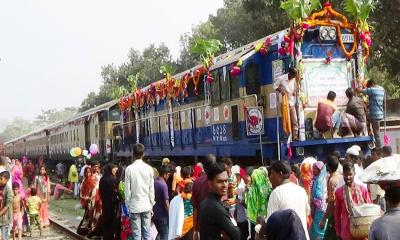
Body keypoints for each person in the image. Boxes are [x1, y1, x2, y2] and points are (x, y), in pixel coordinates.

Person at [266, 161, 310, 240]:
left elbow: (271, 222)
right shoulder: (301, 190)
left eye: (272, 173)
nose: (270, 177)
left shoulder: (276, 193)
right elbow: (306, 214)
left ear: (280, 174)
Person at [198, 162, 240, 240]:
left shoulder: (207, 201)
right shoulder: (215, 207)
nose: (224, 185)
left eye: (226, 181)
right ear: (210, 184)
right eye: (220, 181)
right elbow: (236, 235)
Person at [334, 161, 371, 240]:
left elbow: (369, 209)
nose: (347, 177)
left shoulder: (362, 190)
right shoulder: (339, 192)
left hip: (362, 234)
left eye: (350, 174)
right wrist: (338, 233)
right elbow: (337, 214)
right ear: (342, 174)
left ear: (354, 173)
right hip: (347, 234)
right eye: (345, 174)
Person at [124, 143, 155, 240]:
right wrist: (151, 203)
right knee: (147, 234)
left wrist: (128, 204)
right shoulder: (149, 169)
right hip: (146, 205)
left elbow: (127, 191)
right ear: (143, 154)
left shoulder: (129, 169)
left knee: (136, 235)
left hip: (134, 206)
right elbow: (151, 189)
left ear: (133, 154)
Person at [191, 154, 216, 240]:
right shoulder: (221, 181)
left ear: (203, 168)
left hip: (203, 225)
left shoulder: (197, 182)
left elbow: (195, 209)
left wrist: (195, 230)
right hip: (218, 225)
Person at [245, 168, 272, 239]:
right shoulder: (267, 186)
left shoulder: (252, 188)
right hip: (265, 216)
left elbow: (246, 202)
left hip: (253, 217)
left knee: (256, 234)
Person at [357, 79, 385, 148]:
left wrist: (361, 85)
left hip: (374, 115)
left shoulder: (372, 90)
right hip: (380, 114)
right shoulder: (382, 89)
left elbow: (358, 90)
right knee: (376, 131)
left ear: (372, 84)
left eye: (368, 86)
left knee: (376, 133)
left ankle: (379, 148)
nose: (368, 88)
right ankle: (370, 132)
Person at [320, 155, 341, 240]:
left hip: (334, 215)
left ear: (328, 166)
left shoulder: (332, 181)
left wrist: (324, 219)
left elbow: (332, 203)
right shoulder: (340, 176)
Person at [274, 67, 299, 140]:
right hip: (284, 103)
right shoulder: (281, 78)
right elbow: (274, 86)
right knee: (286, 120)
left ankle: (295, 136)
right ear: (290, 74)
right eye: (293, 76)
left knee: (294, 120)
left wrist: (294, 91)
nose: (294, 77)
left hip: (291, 102)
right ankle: (287, 136)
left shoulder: (294, 79)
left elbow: (295, 87)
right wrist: (280, 90)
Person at [99, 163, 119, 240]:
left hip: (105, 203)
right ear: (110, 169)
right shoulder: (114, 179)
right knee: (112, 221)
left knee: (106, 221)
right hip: (113, 204)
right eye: (114, 169)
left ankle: (106, 237)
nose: (115, 170)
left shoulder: (102, 179)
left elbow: (100, 191)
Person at [309, 161, 328, 240]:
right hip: (319, 209)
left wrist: (312, 200)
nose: (313, 170)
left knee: (319, 229)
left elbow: (319, 196)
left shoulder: (320, 180)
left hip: (320, 209)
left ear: (320, 169)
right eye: (313, 168)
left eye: (315, 169)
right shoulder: (319, 178)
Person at [153, 165, 171, 240]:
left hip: (155, 214)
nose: (168, 177)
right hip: (162, 216)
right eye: (168, 175)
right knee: (164, 235)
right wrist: (170, 213)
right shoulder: (163, 185)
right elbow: (166, 202)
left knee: (159, 234)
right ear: (164, 174)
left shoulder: (154, 182)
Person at [0, 171, 13, 240]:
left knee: (5, 237)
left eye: (1, 179)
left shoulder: (9, 191)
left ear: (7, 180)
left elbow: (8, 206)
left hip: (5, 219)